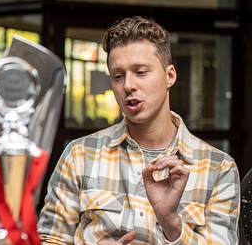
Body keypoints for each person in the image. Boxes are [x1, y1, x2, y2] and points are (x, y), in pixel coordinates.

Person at [38, 16, 240, 244]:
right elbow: (50, 239)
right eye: (118, 76)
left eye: (141, 72)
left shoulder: (218, 168)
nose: (128, 85)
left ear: (170, 76)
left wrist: (171, 222)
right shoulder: (80, 155)